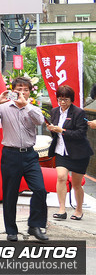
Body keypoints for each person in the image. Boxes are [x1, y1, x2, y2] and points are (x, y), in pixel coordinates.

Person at [0, 76, 48, 242]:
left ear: (29, 92)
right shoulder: (4, 108)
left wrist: (26, 105)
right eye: (19, 89)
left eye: (25, 90)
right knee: (10, 194)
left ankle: (35, 225)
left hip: (30, 155)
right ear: (13, 91)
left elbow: (40, 121)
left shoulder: (32, 108)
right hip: (10, 155)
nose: (22, 92)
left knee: (40, 189)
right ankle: (11, 230)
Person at [48, 85, 93, 221]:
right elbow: (54, 132)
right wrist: (52, 129)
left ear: (71, 100)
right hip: (61, 151)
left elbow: (80, 133)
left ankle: (79, 209)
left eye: (66, 99)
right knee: (61, 177)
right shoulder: (54, 111)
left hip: (79, 153)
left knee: (76, 184)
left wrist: (62, 130)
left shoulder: (79, 113)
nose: (63, 102)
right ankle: (62, 209)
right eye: (60, 99)